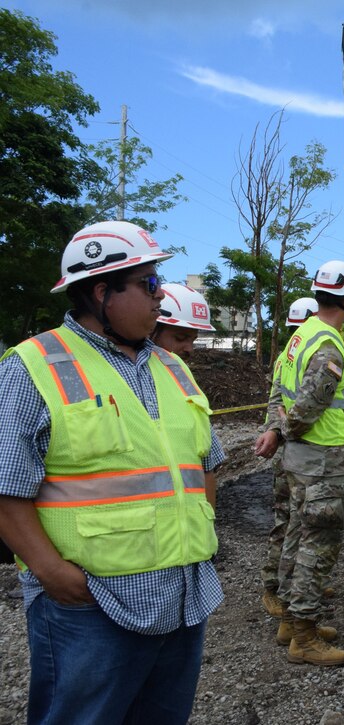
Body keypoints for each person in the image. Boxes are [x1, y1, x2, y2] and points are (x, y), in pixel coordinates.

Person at [0, 220, 224, 724]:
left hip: (183, 598)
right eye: (148, 284)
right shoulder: (33, 365)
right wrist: (53, 573)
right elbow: (5, 488)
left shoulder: (172, 367)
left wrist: (202, 533)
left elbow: (204, 463)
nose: (160, 297)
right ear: (102, 292)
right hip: (91, 608)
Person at [254, 261, 344, 666]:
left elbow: (280, 391)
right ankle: (305, 637)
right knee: (319, 547)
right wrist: (281, 431)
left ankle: (291, 623)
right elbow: (308, 405)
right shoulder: (329, 344)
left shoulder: (300, 337)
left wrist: (277, 431)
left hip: (301, 460)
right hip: (320, 461)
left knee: (297, 538)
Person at [257, 297, 318, 620]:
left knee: (294, 519)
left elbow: (275, 401)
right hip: (292, 448)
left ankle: (292, 580)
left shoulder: (289, 354)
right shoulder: (296, 355)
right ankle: (276, 584)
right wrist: (279, 430)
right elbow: (277, 402)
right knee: (288, 519)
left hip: (290, 446)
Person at [151, 282, 215, 360]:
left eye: (193, 341)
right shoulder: (135, 370)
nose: (190, 349)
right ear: (150, 330)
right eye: (180, 338)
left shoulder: (180, 370)